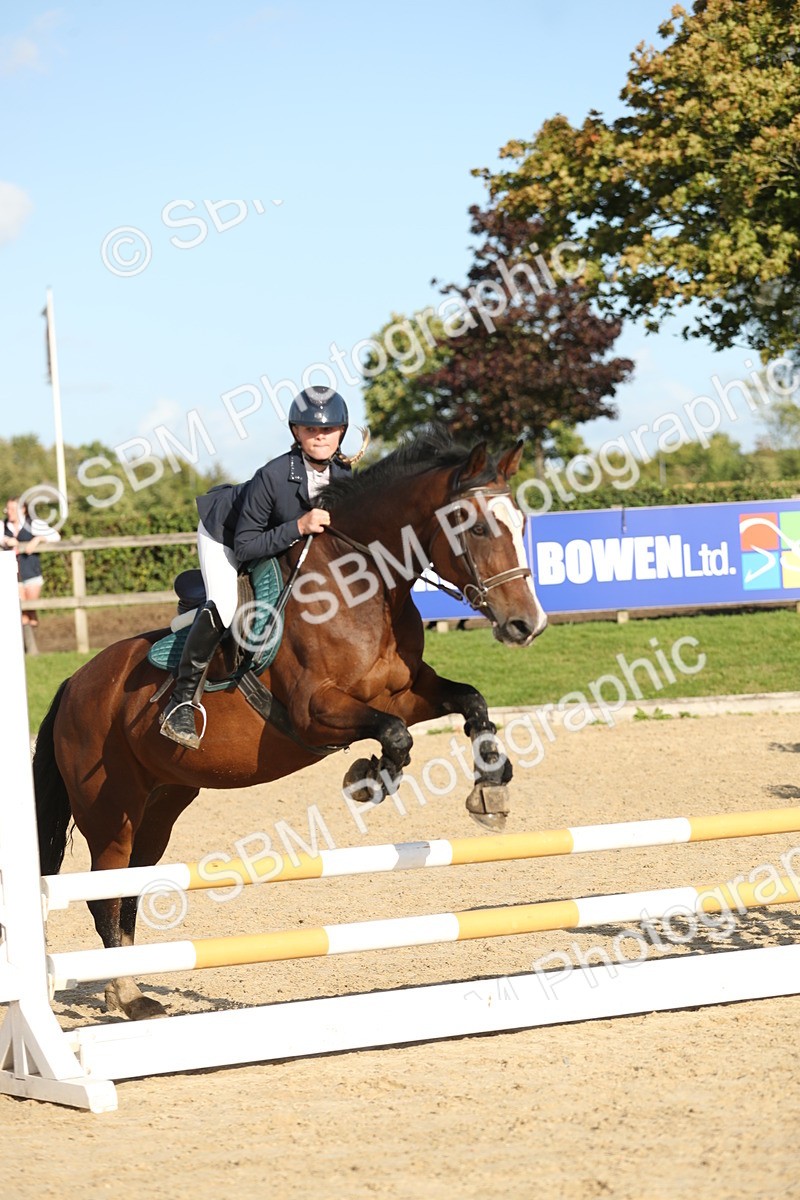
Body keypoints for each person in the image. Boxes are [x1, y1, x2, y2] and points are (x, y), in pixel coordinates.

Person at [160, 386, 359, 750]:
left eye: (328, 430)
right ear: (296, 432)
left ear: (341, 433)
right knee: (223, 603)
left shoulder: (344, 477)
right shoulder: (274, 474)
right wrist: (298, 527)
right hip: (225, 534)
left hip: (274, 538)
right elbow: (246, 545)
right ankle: (182, 702)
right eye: (311, 429)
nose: (320, 436)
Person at [2, 496, 61, 643]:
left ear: (22, 509)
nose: (9, 512)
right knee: (20, 610)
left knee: (31, 609)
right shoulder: (3, 526)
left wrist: (38, 539)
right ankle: (26, 645)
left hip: (31, 571)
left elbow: (55, 536)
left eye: (12, 509)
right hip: (13, 574)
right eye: (8, 509)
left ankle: (34, 642)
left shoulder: (33, 524)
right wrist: (6, 541)